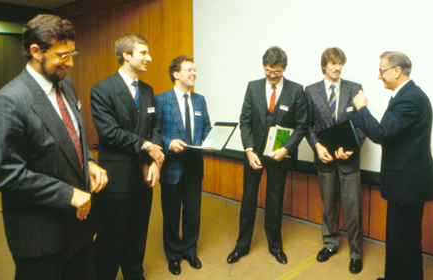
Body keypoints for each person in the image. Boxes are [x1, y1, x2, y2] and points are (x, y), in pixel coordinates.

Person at [0, 14, 108, 279]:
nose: (71, 63)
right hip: (40, 236)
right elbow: (5, 173)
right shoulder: (8, 101)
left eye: (72, 53)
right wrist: (67, 194)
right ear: (35, 51)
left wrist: (91, 162)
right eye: (63, 56)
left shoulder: (66, 85)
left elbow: (71, 136)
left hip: (79, 227)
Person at [352, 51, 433, 280]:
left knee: (406, 241)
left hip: (408, 184)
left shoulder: (410, 98)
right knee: (398, 239)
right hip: (404, 182)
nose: (379, 76)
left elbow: (381, 133)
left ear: (397, 71)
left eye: (382, 71)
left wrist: (361, 108)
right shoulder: (404, 95)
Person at [91, 33, 164, 280]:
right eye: (143, 53)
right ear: (126, 55)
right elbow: (110, 133)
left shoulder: (147, 90)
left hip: (143, 179)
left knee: (138, 235)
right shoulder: (102, 89)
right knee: (112, 237)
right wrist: (147, 147)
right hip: (117, 178)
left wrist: (154, 161)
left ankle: (135, 274)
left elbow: (155, 127)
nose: (149, 58)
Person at [227, 46, 308, 265]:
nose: (272, 77)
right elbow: (244, 121)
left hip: (279, 155)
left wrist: (286, 149)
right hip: (254, 153)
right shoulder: (253, 87)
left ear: (284, 69)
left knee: (275, 199)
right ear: (264, 66)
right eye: (269, 71)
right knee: (248, 198)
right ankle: (241, 245)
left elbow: (301, 126)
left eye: (277, 73)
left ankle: (275, 246)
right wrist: (248, 150)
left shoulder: (296, 90)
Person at [305, 47, 366, 274]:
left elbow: (362, 124)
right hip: (325, 160)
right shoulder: (310, 91)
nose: (337, 67)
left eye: (340, 63)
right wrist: (317, 146)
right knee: (329, 206)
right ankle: (330, 244)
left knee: (353, 209)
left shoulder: (354, 89)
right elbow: (308, 125)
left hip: (349, 161)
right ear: (324, 66)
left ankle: (356, 253)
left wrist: (352, 148)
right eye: (333, 63)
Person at [155, 55, 212, 275]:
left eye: (195, 70)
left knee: (192, 212)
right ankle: (173, 255)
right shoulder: (161, 100)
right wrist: (169, 143)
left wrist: (210, 141)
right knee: (170, 214)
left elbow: (206, 127)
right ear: (176, 74)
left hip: (194, 166)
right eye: (189, 70)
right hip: (172, 167)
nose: (193, 73)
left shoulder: (200, 100)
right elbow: (155, 133)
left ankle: (190, 251)